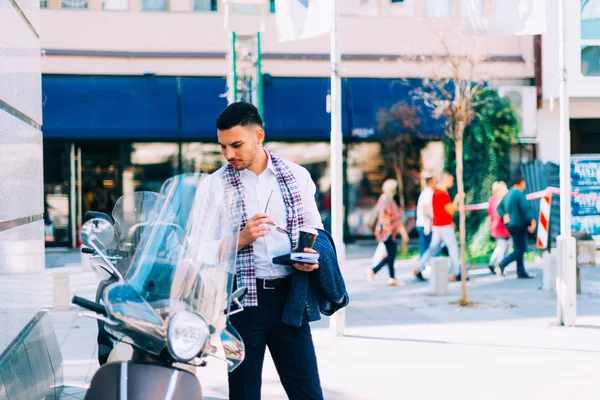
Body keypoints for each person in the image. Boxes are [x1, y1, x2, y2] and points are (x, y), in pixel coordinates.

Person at [215, 102, 326, 400]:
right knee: (242, 394)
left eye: (236, 145)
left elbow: (315, 230)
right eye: (223, 147)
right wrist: (240, 238)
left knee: (307, 392)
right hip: (239, 305)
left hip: (290, 299)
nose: (229, 154)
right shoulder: (213, 185)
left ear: (259, 135)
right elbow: (200, 250)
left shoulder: (297, 176)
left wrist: (308, 257)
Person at [413, 172, 464, 282]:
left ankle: (419, 268)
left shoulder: (435, 192)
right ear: (445, 180)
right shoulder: (441, 193)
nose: (452, 183)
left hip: (438, 225)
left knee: (432, 248)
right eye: (451, 180)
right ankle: (457, 273)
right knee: (453, 248)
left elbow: (439, 210)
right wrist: (457, 199)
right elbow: (449, 210)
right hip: (444, 226)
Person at [366, 179, 409, 286]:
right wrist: (404, 234)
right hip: (387, 231)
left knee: (391, 253)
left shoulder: (382, 198)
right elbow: (395, 219)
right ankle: (373, 270)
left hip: (382, 231)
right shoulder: (389, 201)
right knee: (391, 254)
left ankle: (392, 278)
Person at [494, 175, 536, 278]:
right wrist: (532, 221)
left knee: (518, 247)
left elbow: (499, 208)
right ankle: (503, 263)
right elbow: (525, 209)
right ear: (521, 183)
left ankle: (521, 271)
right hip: (519, 224)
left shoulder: (508, 194)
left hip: (510, 225)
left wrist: (504, 215)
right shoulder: (519, 194)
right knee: (521, 248)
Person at [487, 181, 512, 275]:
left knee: (500, 247)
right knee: (504, 249)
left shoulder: (491, 199)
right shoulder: (502, 201)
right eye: (505, 189)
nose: (507, 190)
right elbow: (506, 215)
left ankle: (492, 263)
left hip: (494, 227)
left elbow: (489, 212)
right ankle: (500, 266)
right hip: (502, 228)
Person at [415, 175, 437, 257]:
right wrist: (427, 223)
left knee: (426, 246)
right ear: (431, 182)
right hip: (425, 224)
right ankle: (422, 266)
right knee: (427, 246)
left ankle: (423, 266)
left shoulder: (426, 192)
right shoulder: (428, 192)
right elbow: (424, 208)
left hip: (423, 223)